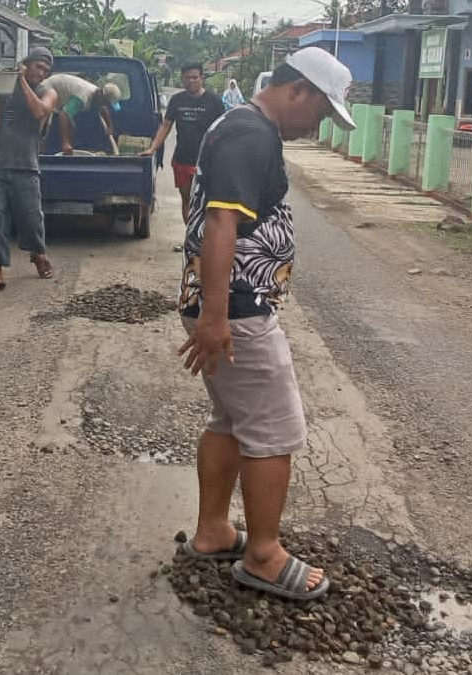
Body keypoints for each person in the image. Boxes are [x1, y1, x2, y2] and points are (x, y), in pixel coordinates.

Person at [176, 47, 355, 601]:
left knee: (231, 419)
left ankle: (212, 532)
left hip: (225, 306)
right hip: (235, 308)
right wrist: (215, 315)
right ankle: (263, 555)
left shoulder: (242, 125)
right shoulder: (251, 133)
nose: (319, 125)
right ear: (296, 89)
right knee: (276, 430)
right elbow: (221, 221)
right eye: (322, 112)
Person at [0, 47, 59, 295]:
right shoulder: (5, 89)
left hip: (26, 166)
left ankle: (38, 253)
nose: (42, 73)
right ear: (27, 63)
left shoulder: (48, 92)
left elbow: (39, 112)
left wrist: (21, 79)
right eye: (38, 67)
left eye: (46, 70)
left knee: (32, 219)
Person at [140, 63, 224, 224]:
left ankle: (205, 238)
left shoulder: (214, 101)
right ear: (182, 80)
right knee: (187, 199)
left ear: (202, 79)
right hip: (182, 160)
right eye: (187, 78)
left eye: (195, 77)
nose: (191, 81)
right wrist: (152, 148)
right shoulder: (177, 100)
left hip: (208, 162)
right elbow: (165, 126)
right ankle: (191, 237)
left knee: (207, 201)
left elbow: (223, 129)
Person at [40, 73, 123, 155]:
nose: (107, 106)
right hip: (46, 89)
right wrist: (65, 143)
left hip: (60, 94)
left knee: (71, 127)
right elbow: (63, 115)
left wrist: (110, 126)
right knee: (42, 128)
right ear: (102, 97)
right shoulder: (83, 96)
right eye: (107, 103)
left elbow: (103, 108)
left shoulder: (97, 94)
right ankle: (42, 153)